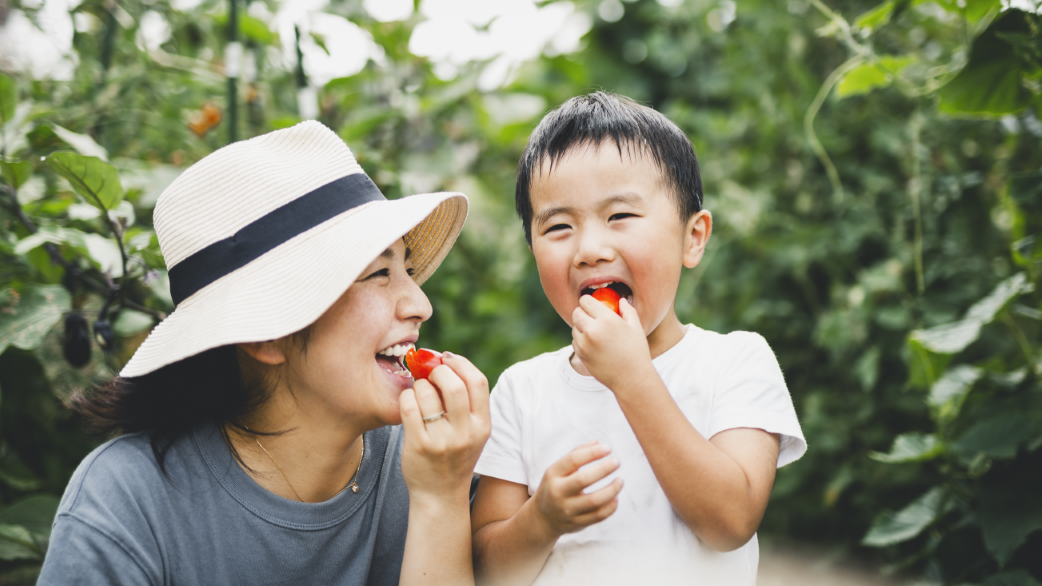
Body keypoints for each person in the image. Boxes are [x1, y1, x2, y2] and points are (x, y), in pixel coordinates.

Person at [37, 121, 490, 585]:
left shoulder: (436, 462)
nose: (420, 304)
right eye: (377, 273)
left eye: (408, 268)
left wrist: (442, 498)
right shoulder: (127, 504)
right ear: (266, 335)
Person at [470, 92, 806, 586]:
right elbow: (487, 572)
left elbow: (731, 521)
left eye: (620, 216)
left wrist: (631, 377)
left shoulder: (734, 361)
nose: (589, 249)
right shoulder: (522, 391)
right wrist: (541, 519)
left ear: (692, 238)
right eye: (559, 226)